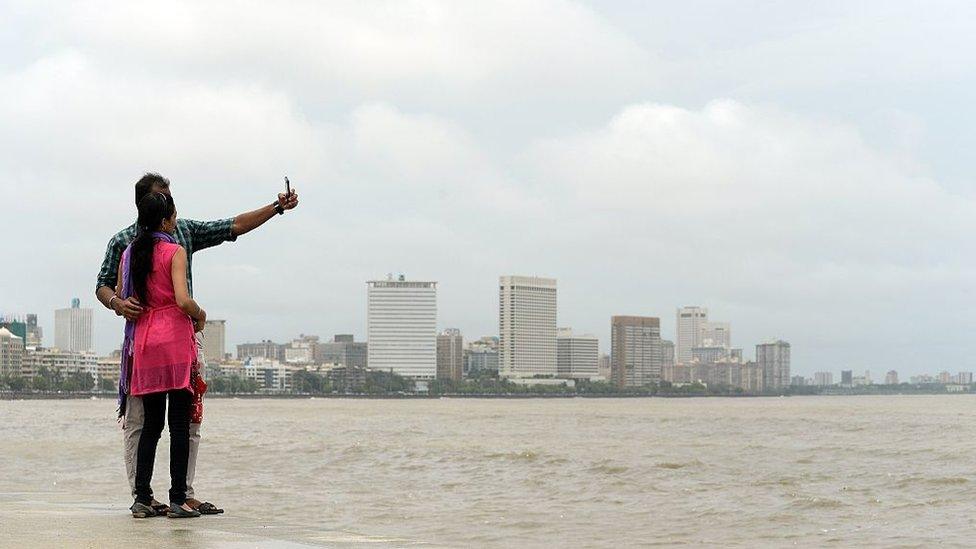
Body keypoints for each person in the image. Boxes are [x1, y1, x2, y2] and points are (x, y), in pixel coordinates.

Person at [95, 173, 299, 516]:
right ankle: (162, 496)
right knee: (151, 421)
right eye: (165, 197)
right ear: (152, 206)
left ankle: (158, 496)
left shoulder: (174, 233)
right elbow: (104, 285)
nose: (173, 204)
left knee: (174, 423)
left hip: (147, 341)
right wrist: (118, 303)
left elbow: (231, 226)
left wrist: (276, 207)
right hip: (172, 337)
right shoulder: (134, 243)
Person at [120, 192, 202, 518]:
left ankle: (142, 497)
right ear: (166, 220)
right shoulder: (174, 251)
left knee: (151, 424)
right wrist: (201, 313)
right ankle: (178, 499)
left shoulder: (129, 253)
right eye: (174, 216)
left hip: (145, 341)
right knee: (179, 425)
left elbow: (123, 295)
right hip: (174, 339)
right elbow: (183, 300)